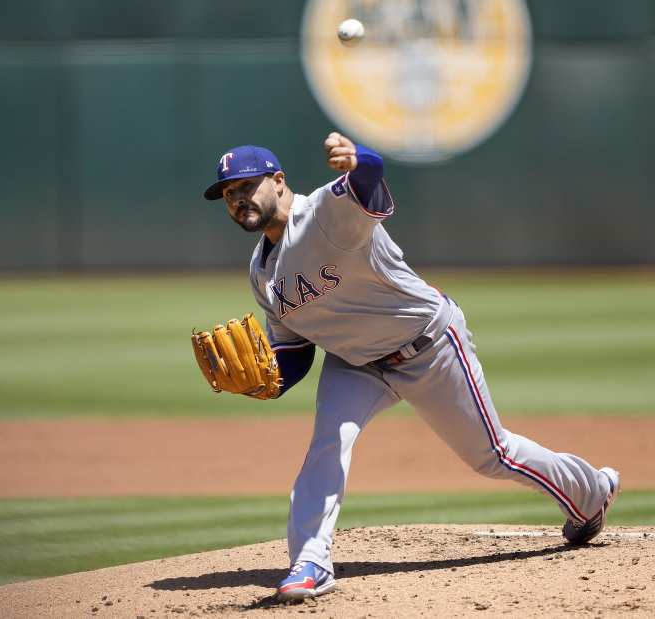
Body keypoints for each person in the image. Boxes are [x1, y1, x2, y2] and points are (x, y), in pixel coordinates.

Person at [202, 132, 620, 602]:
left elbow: (369, 180)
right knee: (326, 446)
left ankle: (592, 493)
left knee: (492, 455)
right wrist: (268, 382)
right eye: (228, 195)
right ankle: (310, 564)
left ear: (278, 181)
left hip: (428, 345)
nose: (237, 199)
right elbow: (294, 350)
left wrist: (359, 159)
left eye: (245, 185)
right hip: (356, 364)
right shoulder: (261, 273)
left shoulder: (325, 212)